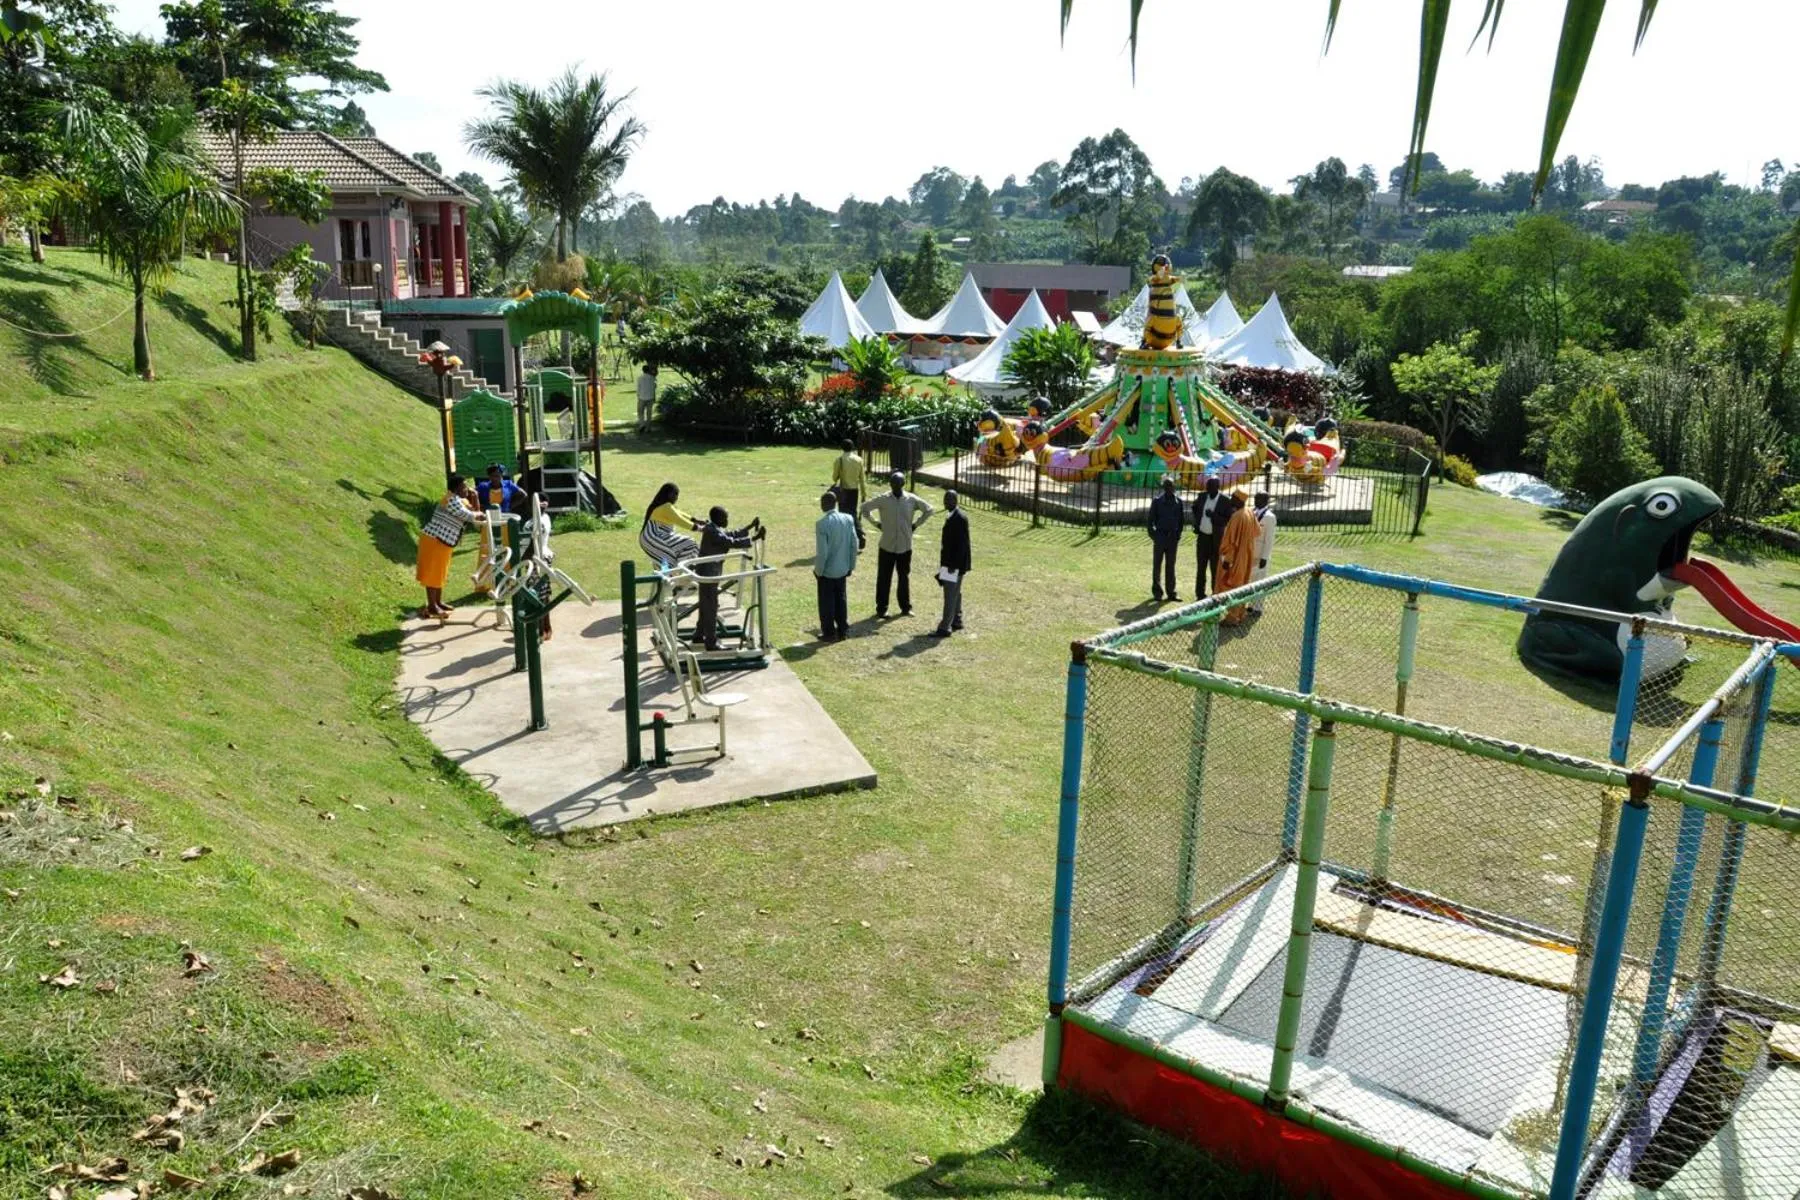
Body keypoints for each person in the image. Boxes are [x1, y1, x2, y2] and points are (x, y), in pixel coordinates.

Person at [860, 471, 934, 619]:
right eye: (893, 483)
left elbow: (929, 509)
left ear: (903, 484)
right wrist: (876, 523)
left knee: (904, 577)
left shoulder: (911, 499)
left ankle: (905, 607)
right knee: (883, 578)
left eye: (898, 484)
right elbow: (864, 508)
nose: (895, 486)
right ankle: (881, 609)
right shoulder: (884, 499)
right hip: (887, 546)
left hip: (905, 546)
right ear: (890, 484)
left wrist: (915, 525)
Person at [415, 473, 484, 621]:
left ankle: (438, 602)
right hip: (434, 540)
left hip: (442, 541)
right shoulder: (451, 499)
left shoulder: (460, 500)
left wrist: (475, 496)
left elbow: (474, 512)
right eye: (464, 486)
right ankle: (432, 606)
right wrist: (479, 514)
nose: (467, 489)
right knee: (432, 573)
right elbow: (469, 516)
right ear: (456, 488)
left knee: (440, 572)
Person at [695, 508, 762, 651]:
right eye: (724, 518)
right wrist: (754, 539)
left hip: (707, 572)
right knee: (711, 606)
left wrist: (749, 527)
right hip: (708, 575)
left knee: (705, 604)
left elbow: (730, 534)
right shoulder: (713, 532)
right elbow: (730, 541)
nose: (727, 521)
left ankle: (699, 635)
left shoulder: (713, 528)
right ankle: (711, 642)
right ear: (717, 519)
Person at [813, 490, 857, 641]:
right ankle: (843, 630)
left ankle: (829, 632)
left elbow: (822, 553)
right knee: (841, 600)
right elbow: (854, 544)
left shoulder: (822, 524)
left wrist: (818, 571)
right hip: (843, 568)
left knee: (826, 603)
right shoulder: (848, 518)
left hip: (828, 571)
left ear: (825, 504)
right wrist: (851, 565)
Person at [1216, 488, 1261, 625]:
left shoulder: (1237, 517)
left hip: (1235, 558)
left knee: (1232, 584)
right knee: (1242, 584)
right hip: (1246, 554)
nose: (1230, 500)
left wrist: (1227, 560)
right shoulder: (1249, 512)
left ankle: (1232, 617)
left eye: (1233, 498)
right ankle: (1240, 614)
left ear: (1238, 500)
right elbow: (1257, 531)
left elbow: (1231, 542)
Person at [932, 490, 970, 637]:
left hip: (953, 565)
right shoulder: (953, 516)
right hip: (953, 564)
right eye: (945, 499)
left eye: (949, 499)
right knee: (955, 593)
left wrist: (951, 568)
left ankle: (944, 627)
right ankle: (956, 620)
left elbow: (961, 546)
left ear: (955, 501)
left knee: (950, 595)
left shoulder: (959, 518)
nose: (945, 502)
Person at [639, 481, 702, 567]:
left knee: (664, 562)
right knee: (690, 544)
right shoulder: (666, 507)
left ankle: (674, 574)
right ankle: (682, 571)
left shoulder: (663, 506)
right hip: (654, 537)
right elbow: (680, 520)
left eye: (677, 495)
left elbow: (679, 513)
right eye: (675, 494)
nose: (676, 497)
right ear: (667, 494)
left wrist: (695, 520)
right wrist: (699, 528)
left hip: (651, 538)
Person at [1147, 475, 1185, 602]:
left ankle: (1171, 592)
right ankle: (1157, 592)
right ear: (1164, 488)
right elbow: (1150, 521)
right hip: (1160, 536)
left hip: (1172, 538)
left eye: (1171, 486)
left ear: (1174, 488)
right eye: (1167, 486)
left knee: (1171, 565)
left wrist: (1178, 535)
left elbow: (1181, 521)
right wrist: (1154, 536)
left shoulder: (1178, 502)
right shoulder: (1157, 501)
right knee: (1157, 564)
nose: (1169, 488)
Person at [1191, 476, 1227, 598]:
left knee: (1215, 568)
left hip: (1215, 540)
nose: (1208, 489)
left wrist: (1213, 516)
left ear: (1217, 487)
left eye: (1210, 487)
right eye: (1207, 486)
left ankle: (1215, 593)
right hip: (1202, 538)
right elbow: (1194, 507)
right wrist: (1197, 523)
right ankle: (1200, 594)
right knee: (1201, 567)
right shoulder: (1202, 496)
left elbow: (1227, 519)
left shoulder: (1224, 500)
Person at [830, 439, 867, 550]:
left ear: (842, 448)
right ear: (853, 447)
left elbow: (834, 477)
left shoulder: (839, 460)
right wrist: (864, 493)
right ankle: (859, 535)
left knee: (843, 515)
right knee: (852, 513)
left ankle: (855, 536)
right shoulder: (859, 460)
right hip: (854, 491)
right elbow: (862, 479)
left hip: (843, 491)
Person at [1249, 489, 1277, 615]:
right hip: (1250, 551)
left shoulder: (1269, 517)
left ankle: (1258, 607)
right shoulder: (1252, 512)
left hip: (1261, 553)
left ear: (1266, 501)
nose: (1256, 501)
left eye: (1259, 498)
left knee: (1260, 580)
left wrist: (1265, 557)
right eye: (1255, 498)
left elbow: (1269, 539)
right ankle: (1251, 604)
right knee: (1250, 579)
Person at [635, 363, 659, 432]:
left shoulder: (640, 378)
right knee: (649, 413)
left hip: (642, 397)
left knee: (640, 412)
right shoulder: (652, 378)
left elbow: (638, 388)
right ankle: (648, 428)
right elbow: (654, 387)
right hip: (650, 397)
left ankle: (642, 424)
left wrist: (638, 395)